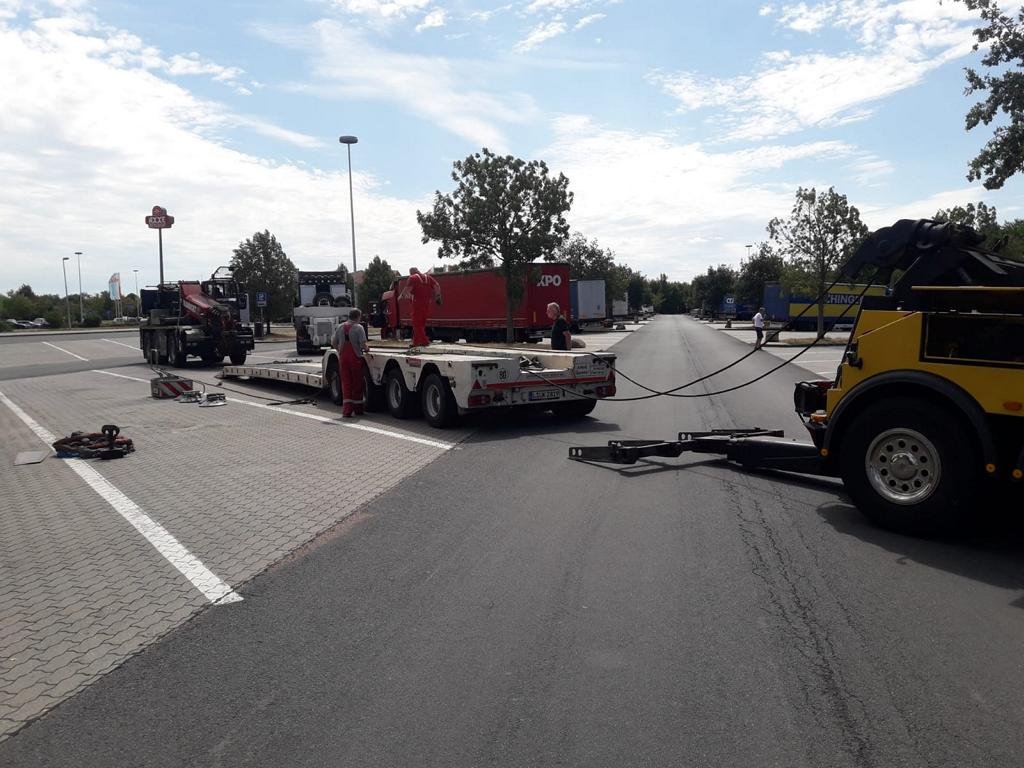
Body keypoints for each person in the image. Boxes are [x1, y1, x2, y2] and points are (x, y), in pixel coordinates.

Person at [332, 308, 370, 417]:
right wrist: (367, 349)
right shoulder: (359, 328)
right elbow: (363, 344)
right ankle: (358, 409)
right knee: (357, 383)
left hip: (343, 359)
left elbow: (334, 343)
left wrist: (339, 351)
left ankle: (347, 411)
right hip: (355, 359)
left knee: (346, 384)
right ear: (358, 317)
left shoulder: (340, 327)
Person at [398, 267, 441, 347]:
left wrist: (401, 296)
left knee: (416, 324)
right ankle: (416, 342)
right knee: (421, 324)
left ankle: (424, 341)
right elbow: (437, 286)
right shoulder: (428, 277)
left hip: (417, 303)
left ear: (411, 272)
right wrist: (438, 296)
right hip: (427, 304)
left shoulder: (412, 278)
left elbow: (407, 290)